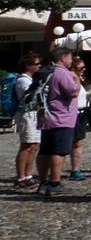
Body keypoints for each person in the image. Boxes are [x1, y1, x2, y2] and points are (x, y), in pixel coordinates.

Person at [36, 46, 81, 199]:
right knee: (59, 151)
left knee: (45, 150)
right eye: (70, 57)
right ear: (63, 58)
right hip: (62, 117)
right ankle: (55, 183)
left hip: (46, 116)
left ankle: (43, 182)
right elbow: (73, 92)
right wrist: (77, 79)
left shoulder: (47, 71)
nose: (71, 60)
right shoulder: (63, 73)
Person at [10, 53, 42, 192]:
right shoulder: (23, 80)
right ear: (28, 66)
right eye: (36, 64)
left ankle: (28, 174)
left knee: (34, 146)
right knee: (26, 145)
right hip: (26, 115)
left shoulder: (32, 79)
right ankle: (21, 177)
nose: (39, 66)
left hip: (35, 114)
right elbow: (29, 97)